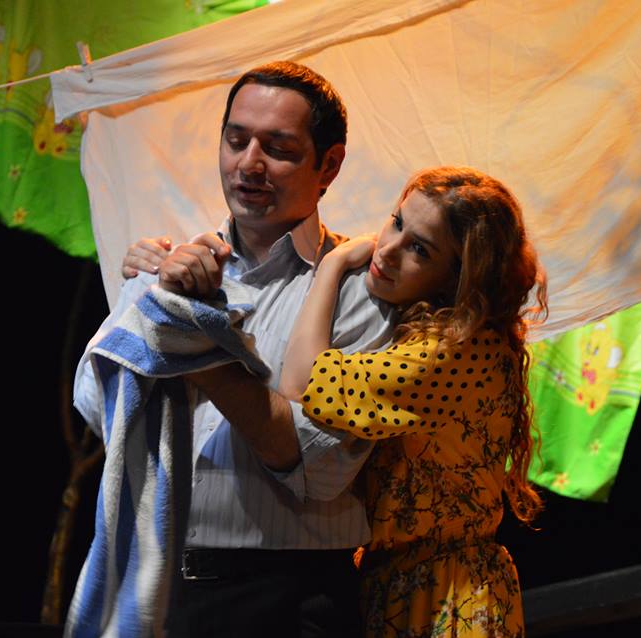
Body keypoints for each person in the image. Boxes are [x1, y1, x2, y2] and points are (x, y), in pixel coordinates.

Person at [71, 61, 396, 638]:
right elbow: (99, 411)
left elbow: (319, 468)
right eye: (236, 140)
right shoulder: (174, 269)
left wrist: (196, 344)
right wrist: (152, 305)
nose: (249, 164)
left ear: (329, 164)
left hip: (290, 596)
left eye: (279, 148)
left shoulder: (360, 291)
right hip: (163, 589)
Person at [278, 166, 547, 637]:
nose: (386, 249)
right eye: (396, 222)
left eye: (420, 249)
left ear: (458, 279)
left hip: (446, 597)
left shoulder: (455, 349)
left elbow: (302, 384)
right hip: (409, 584)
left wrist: (332, 266)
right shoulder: (449, 332)